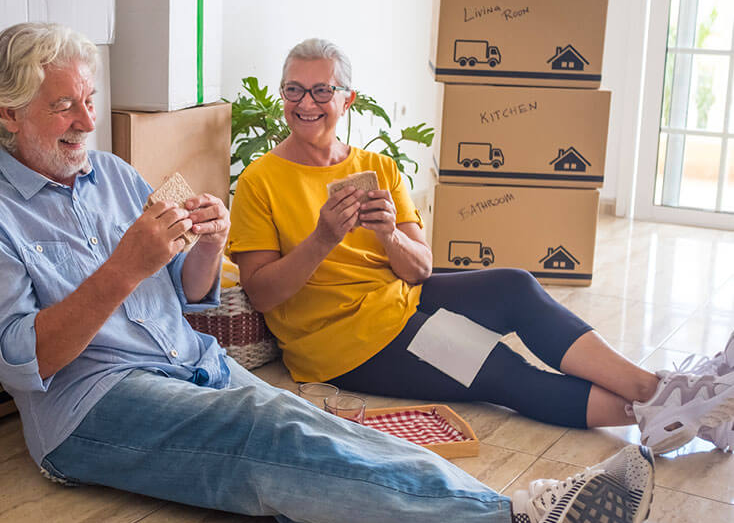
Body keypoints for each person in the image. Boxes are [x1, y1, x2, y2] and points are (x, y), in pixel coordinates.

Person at [0, 22, 655, 523]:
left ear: (344, 99)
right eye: (63, 106)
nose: (84, 121)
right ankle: (513, 517)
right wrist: (123, 269)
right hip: (90, 404)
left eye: (89, 102)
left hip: (192, 362)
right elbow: (22, 363)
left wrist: (206, 245)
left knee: (324, 446)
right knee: (275, 442)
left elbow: (190, 298)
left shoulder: (114, 174)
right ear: (8, 114)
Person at [228, 37, 734, 456]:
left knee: (515, 286)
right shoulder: (259, 180)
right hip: (343, 341)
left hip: (400, 300)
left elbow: (420, 268)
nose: (305, 104)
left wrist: (387, 235)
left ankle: (662, 397)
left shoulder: (378, 167)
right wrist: (322, 239)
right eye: (294, 90)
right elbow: (263, 294)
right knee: (498, 369)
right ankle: (674, 406)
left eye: (320, 91)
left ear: (347, 100)